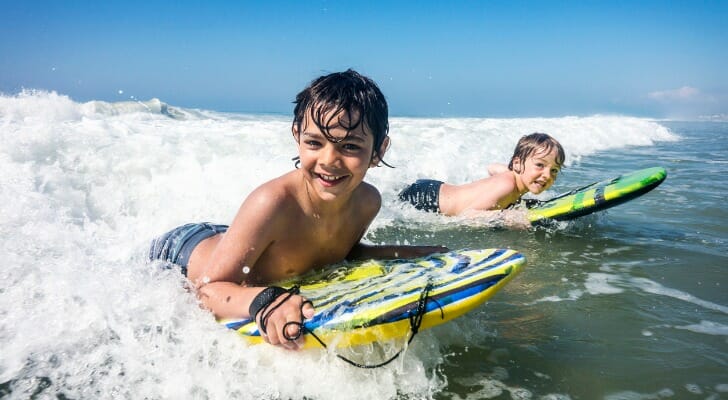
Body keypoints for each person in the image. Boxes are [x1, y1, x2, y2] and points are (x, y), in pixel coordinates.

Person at [149, 70, 446, 351]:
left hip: (237, 241)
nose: (329, 160)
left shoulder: (368, 202)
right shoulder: (272, 202)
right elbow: (206, 291)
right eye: (314, 142)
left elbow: (337, 253)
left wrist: (401, 254)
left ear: (379, 151)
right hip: (181, 252)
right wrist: (265, 301)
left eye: (351, 147)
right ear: (297, 136)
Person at [398, 133, 565, 224]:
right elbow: (467, 215)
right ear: (517, 163)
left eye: (555, 170)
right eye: (540, 165)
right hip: (426, 199)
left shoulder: (511, 178)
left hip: (433, 187)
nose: (547, 175)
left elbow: (491, 167)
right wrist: (506, 216)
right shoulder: (506, 185)